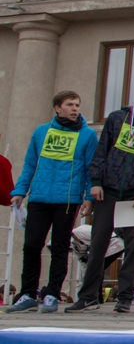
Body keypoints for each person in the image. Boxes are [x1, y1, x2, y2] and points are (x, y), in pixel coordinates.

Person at [66, 80, 134, 313]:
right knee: (98, 245)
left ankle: (125, 298)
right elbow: (101, 151)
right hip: (108, 191)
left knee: (133, 248)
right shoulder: (116, 118)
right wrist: (96, 183)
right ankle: (88, 297)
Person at [5, 91, 98, 314]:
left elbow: (90, 169)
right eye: (70, 104)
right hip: (39, 197)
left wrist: (89, 197)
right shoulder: (41, 132)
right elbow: (30, 164)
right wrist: (20, 191)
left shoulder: (87, 135)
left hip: (67, 200)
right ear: (57, 108)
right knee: (31, 246)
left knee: (59, 247)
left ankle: (52, 295)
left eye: (77, 105)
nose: (75, 109)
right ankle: (28, 295)